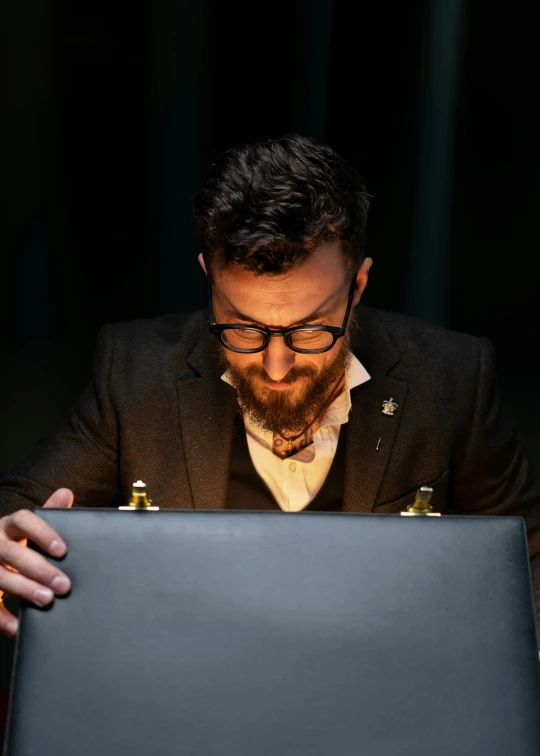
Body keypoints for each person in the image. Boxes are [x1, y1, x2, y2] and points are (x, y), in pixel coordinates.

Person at [1, 134, 539, 639]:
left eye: (309, 328)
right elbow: (19, 509)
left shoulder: (450, 378)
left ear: (358, 285)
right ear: (207, 277)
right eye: (243, 328)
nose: (276, 365)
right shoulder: (136, 373)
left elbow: (529, 555)